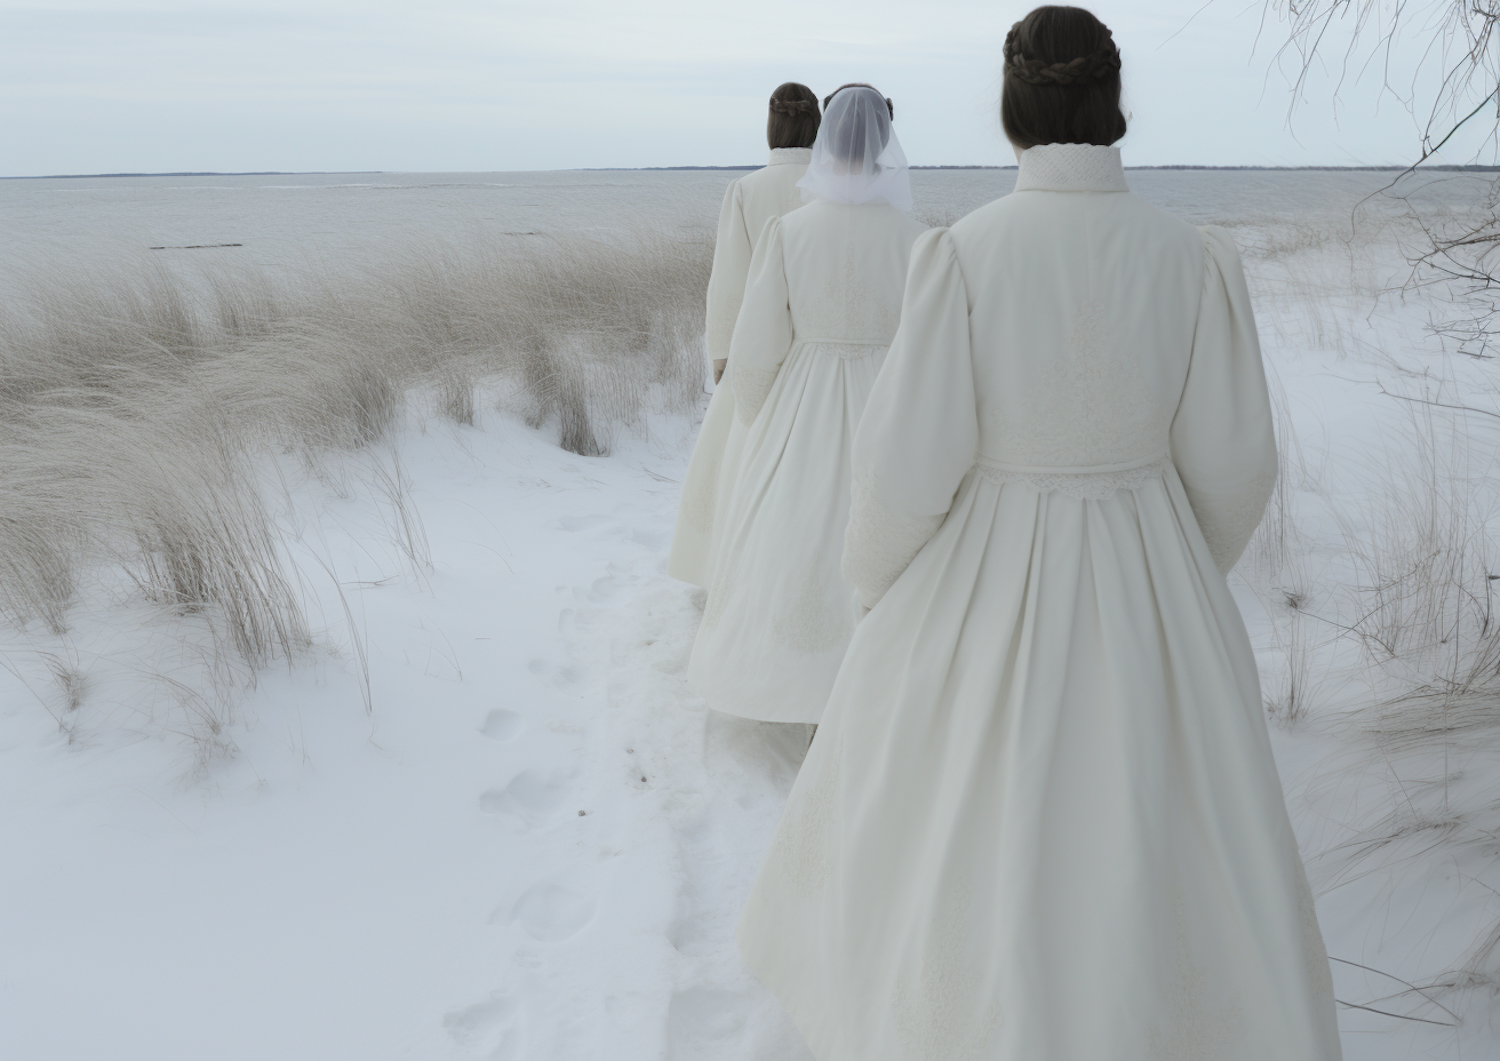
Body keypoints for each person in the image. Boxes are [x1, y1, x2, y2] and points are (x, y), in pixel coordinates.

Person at [736, 8, 1344, 1061]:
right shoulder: (1191, 258)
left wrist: (880, 584)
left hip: (985, 575)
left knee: (970, 835)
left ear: (1013, 111)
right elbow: (1239, 465)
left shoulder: (962, 257)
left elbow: (905, 466)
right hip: (1151, 567)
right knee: (1161, 841)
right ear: (1114, 107)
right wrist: (1173, 573)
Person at [688, 85, 926, 724]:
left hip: (805, 398)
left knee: (796, 528)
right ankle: (879, 679)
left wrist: (763, 418)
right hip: (889, 395)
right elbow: (930, 343)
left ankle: (794, 670)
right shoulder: (919, 239)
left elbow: (759, 343)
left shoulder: (789, 230)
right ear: (885, 147)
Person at [667, 83, 820, 589]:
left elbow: (729, 278)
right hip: (817, 351)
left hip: (756, 352)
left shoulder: (747, 190)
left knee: (743, 465)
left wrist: (721, 352)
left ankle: (740, 570)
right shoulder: (834, 186)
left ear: (772, 126)